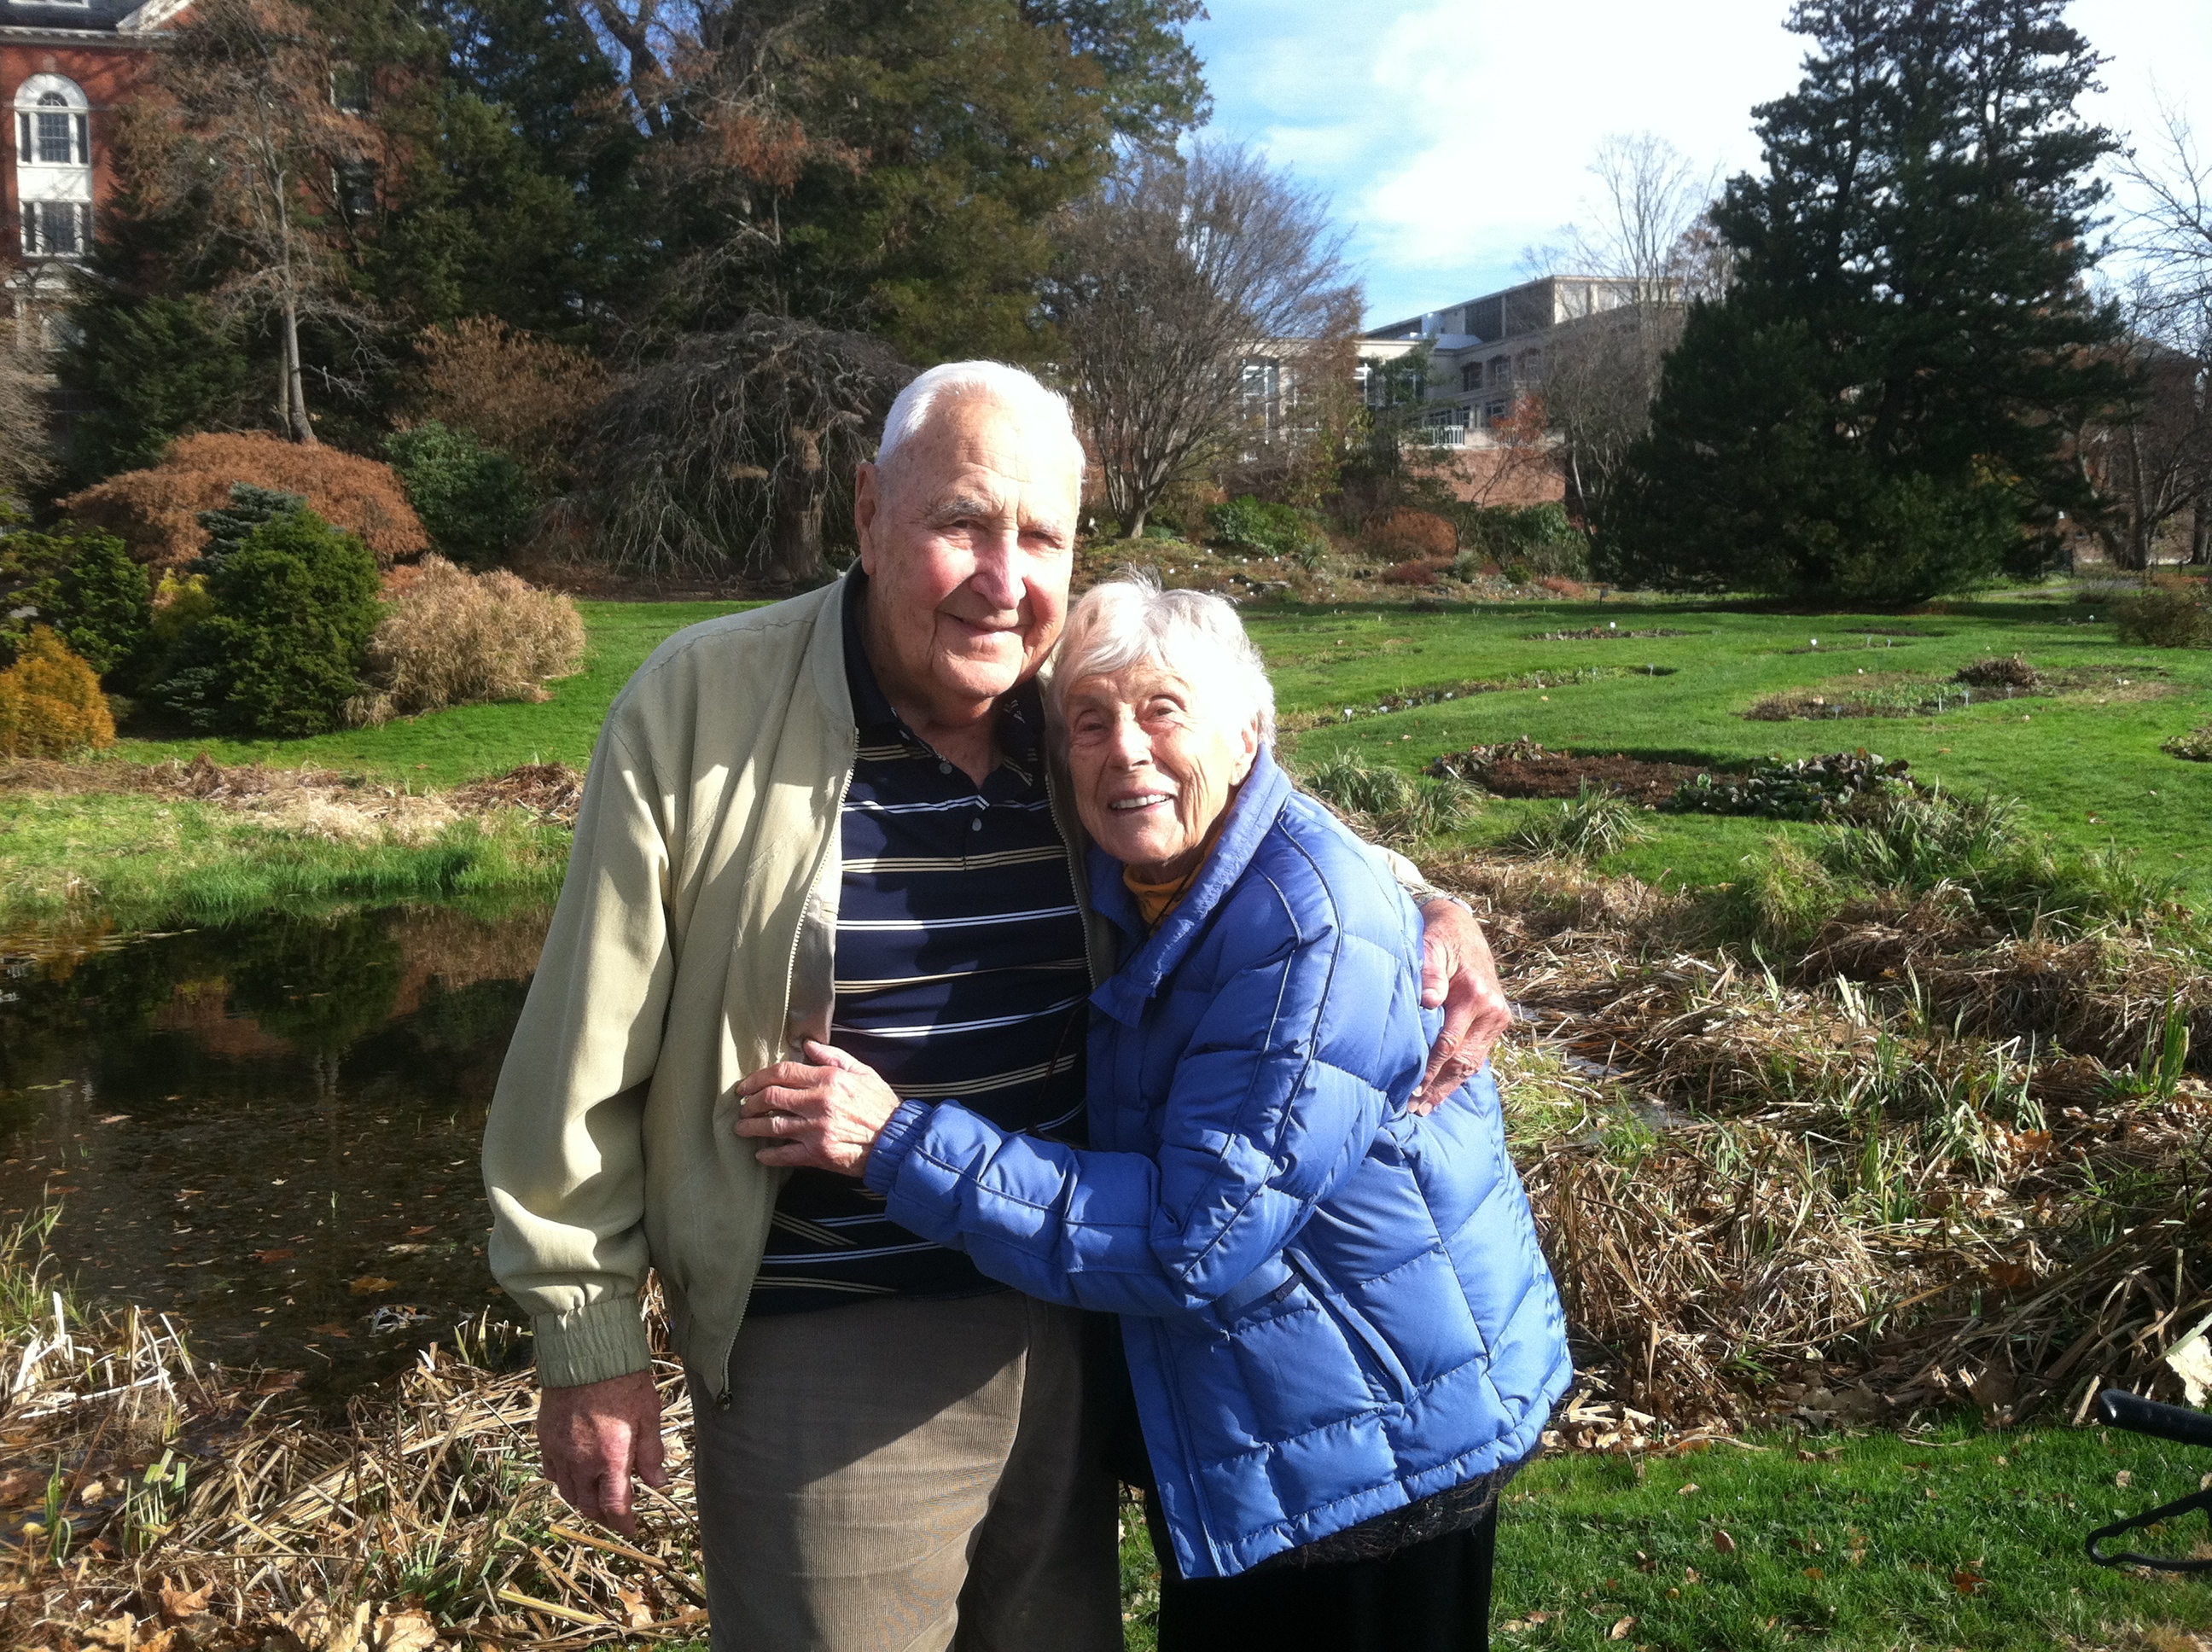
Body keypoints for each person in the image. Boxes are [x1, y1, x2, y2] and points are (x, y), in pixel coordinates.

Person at [481, 360, 1517, 1652]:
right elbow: (585, 1041)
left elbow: (1245, 815)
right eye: (963, 523)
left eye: (1042, 538)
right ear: (868, 512)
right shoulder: (703, 705)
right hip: (832, 1342)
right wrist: (586, 1336)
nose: (1004, 575)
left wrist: (1425, 900)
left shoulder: (1070, 707)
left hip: (1075, 1313)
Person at [736, 573, 1572, 1652]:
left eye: (1163, 711)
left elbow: (1197, 1232)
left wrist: (898, 1141)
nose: (1126, 748)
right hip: (1275, 1421)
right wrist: (1434, 893)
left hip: (1369, 1456)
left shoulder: (1303, 935)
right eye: (1091, 721)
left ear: (1250, 732)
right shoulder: (1150, 879)